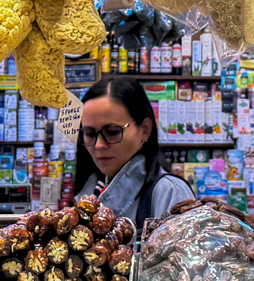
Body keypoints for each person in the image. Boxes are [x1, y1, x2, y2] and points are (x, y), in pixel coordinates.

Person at [72, 75, 193, 224]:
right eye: (90, 134)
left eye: (112, 132)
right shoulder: (88, 190)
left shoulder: (170, 193)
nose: (99, 145)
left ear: (145, 130)